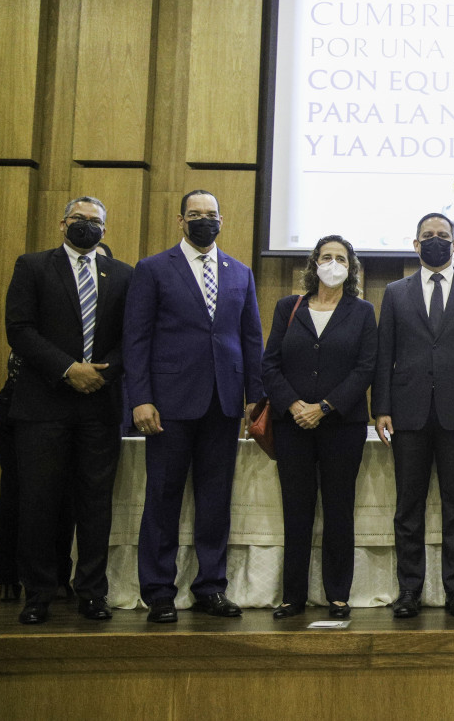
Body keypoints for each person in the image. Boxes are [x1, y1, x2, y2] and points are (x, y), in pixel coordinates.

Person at [124, 190, 264, 624]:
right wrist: (140, 398)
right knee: (163, 498)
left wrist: (255, 397)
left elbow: (251, 338)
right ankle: (159, 592)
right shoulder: (152, 269)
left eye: (211, 214)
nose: (205, 220)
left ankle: (211, 587)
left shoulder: (240, 272)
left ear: (222, 220)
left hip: (224, 402)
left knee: (215, 501)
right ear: (180, 221)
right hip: (168, 404)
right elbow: (136, 339)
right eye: (195, 214)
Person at [3, 196, 133, 624]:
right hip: (43, 405)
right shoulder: (33, 266)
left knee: (95, 505)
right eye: (79, 218)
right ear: (62, 224)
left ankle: (92, 592)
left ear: (105, 230)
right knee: (39, 503)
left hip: (100, 405)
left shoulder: (123, 274)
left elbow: (132, 336)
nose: (86, 225)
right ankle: (38, 593)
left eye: (95, 221)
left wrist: (100, 374)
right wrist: (68, 369)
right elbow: (19, 329)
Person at [374, 212, 454, 618]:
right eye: (427, 235)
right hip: (407, 414)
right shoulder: (395, 293)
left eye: (442, 235)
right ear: (415, 245)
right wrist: (381, 408)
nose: (435, 240)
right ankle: (409, 590)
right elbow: (384, 355)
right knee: (408, 508)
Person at [262, 236, 377, 620]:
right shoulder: (288, 307)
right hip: (292, 425)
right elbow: (270, 364)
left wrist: (324, 407)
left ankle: (338, 595)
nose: (333, 263)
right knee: (296, 510)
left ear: (351, 267)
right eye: (326, 257)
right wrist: (294, 405)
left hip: (342, 425)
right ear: (313, 264)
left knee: (338, 509)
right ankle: (292, 597)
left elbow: (366, 367)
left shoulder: (362, 312)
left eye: (340, 258)